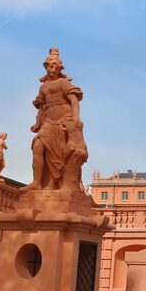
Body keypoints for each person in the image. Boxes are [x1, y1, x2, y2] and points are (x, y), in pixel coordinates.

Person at [25, 47, 87, 191]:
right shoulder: (43, 87)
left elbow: (74, 100)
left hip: (63, 121)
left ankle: (53, 183)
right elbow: (42, 107)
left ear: (60, 68)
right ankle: (36, 182)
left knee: (58, 155)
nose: (53, 69)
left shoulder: (63, 83)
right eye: (50, 66)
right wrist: (38, 123)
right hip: (48, 122)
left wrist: (76, 117)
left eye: (56, 67)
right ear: (45, 67)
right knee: (38, 146)